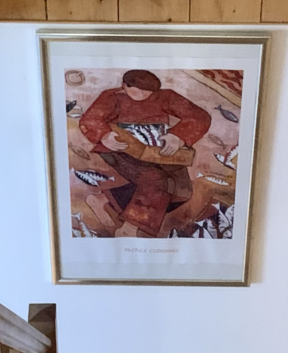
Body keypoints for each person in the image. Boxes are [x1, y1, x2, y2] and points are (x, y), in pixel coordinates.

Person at [77, 69, 212, 236]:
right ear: (125, 86)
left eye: (147, 91)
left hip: (157, 150)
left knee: (182, 191)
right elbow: (90, 119)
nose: (142, 95)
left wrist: (178, 136)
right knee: (156, 181)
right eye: (137, 90)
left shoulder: (165, 96)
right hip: (119, 147)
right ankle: (129, 229)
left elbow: (200, 116)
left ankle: (103, 200)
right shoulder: (112, 96)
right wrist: (104, 135)